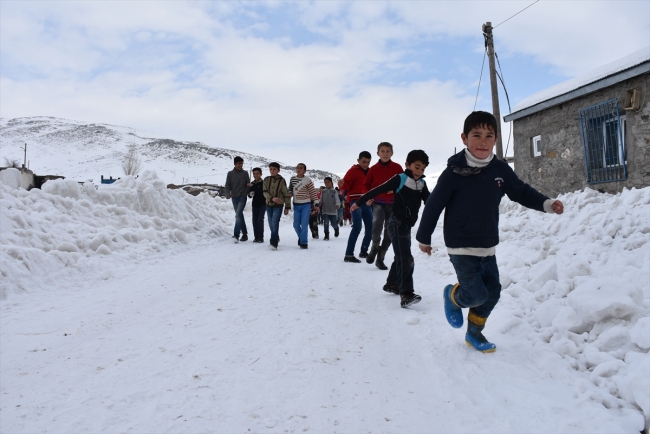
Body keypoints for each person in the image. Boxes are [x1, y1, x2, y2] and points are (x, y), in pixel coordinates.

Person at [416, 111, 565, 353]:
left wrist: (547, 204)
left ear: (495, 139)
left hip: (487, 245)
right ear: (464, 138)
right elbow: (434, 205)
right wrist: (424, 236)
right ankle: (453, 296)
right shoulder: (453, 172)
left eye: (489, 135)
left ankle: (474, 333)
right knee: (475, 294)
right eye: (477, 135)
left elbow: (521, 192)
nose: (483, 141)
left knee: (492, 293)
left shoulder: (500, 170)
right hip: (460, 244)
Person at [351, 150, 430, 308]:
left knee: (401, 255)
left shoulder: (421, 183)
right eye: (417, 167)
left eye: (423, 169)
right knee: (406, 258)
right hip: (396, 222)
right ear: (407, 165)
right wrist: (359, 202)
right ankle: (406, 293)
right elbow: (377, 190)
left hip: (407, 224)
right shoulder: (400, 179)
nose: (420, 172)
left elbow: (431, 202)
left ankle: (392, 283)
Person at [364, 142, 404, 270]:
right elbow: (366, 185)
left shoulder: (397, 168)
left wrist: (395, 190)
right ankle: (374, 248)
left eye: (388, 151)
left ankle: (380, 258)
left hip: (393, 204)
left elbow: (403, 183)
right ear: (378, 153)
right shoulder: (373, 169)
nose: (385, 154)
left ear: (392, 153)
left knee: (390, 232)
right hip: (378, 203)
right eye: (383, 151)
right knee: (376, 226)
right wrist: (368, 197)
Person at [338, 151, 373, 263]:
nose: (366, 164)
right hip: (355, 201)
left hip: (367, 202)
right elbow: (345, 185)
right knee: (357, 226)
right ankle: (348, 254)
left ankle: (364, 251)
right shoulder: (353, 171)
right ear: (358, 160)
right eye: (363, 161)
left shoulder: (371, 172)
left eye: (368, 162)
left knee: (370, 228)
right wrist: (341, 184)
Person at [287, 163, 319, 249]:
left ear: (305, 170)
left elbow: (313, 192)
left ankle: (304, 242)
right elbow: (290, 189)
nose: (298, 169)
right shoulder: (292, 179)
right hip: (296, 205)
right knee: (296, 224)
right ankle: (301, 237)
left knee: (304, 224)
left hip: (306, 204)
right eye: (297, 168)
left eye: (301, 168)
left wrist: (316, 203)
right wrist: (290, 193)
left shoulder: (308, 180)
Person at [263, 162, 291, 250]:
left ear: (278, 170)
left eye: (274, 169)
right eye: (271, 169)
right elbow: (264, 192)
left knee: (275, 223)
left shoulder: (282, 180)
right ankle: (276, 237)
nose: (272, 171)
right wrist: (271, 198)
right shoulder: (266, 179)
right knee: (271, 224)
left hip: (278, 206)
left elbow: (286, 194)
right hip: (268, 205)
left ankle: (273, 243)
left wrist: (287, 206)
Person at [224, 156, 250, 243]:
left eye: (241, 164)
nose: (240, 165)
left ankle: (236, 235)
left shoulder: (245, 173)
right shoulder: (230, 174)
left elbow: (248, 185)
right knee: (239, 215)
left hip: (242, 197)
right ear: (234, 164)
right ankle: (245, 234)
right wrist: (227, 194)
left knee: (238, 214)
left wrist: (244, 193)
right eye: (239, 164)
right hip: (234, 197)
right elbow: (227, 185)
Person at [248, 167, 266, 243]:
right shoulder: (252, 183)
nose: (256, 175)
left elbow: (261, 192)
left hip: (262, 204)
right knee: (254, 221)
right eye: (254, 174)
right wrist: (250, 194)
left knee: (260, 220)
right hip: (254, 204)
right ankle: (256, 237)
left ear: (261, 174)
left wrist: (252, 186)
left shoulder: (263, 183)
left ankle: (261, 237)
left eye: (257, 174)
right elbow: (249, 194)